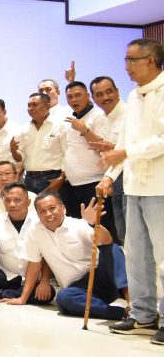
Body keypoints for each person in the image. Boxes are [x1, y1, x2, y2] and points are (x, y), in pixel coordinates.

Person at [101, 39, 164, 343]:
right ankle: (143, 314)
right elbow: (123, 143)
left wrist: (126, 153)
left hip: (160, 186)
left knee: (163, 257)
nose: (126, 67)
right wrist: (108, 176)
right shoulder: (133, 96)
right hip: (134, 185)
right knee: (135, 255)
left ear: (150, 60)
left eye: (131, 60)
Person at [11, 191, 126, 321]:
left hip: (101, 277)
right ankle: (121, 313)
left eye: (52, 208)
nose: (48, 214)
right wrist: (23, 298)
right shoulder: (34, 231)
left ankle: (132, 303)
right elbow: (34, 263)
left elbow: (107, 240)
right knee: (63, 298)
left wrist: (94, 224)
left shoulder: (78, 225)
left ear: (63, 208)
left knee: (113, 249)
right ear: (38, 215)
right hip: (78, 289)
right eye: (42, 211)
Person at [60, 81, 111, 233]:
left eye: (78, 95)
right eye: (70, 97)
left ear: (88, 96)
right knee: (79, 234)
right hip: (72, 187)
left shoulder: (99, 116)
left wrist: (84, 130)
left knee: (102, 233)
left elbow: (104, 149)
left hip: (94, 185)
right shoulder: (70, 119)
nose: (74, 100)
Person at [90, 75, 127, 243]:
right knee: (123, 234)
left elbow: (131, 148)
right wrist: (109, 178)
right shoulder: (105, 119)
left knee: (136, 236)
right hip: (115, 180)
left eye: (109, 91)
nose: (105, 97)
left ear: (118, 92)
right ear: (93, 98)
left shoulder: (129, 114)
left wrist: (112, 147)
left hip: (133, 179)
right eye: (99, 94)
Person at [10, 92, 67, 193]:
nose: (31, 108)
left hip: (52, 177)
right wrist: (13, 151)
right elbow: (20, 158)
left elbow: (66, 154)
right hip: (29, 178)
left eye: (34, 105)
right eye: (29, 105)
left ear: (47, 106)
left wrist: (61, 178)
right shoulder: (24, 128)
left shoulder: (60, 126)